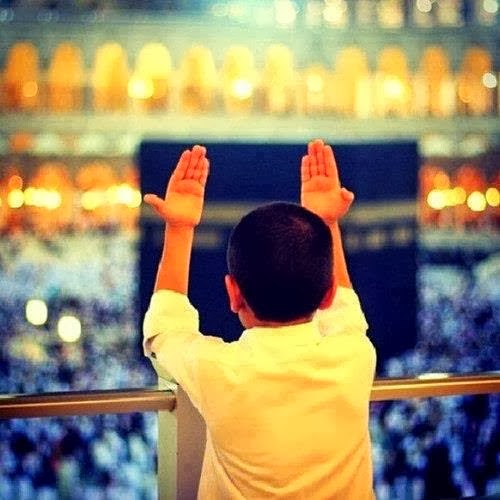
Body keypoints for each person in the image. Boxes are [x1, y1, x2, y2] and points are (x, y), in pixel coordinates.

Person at [143, 139, 377, 499]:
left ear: (233, 293)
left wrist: (180, 227)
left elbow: (165, 328)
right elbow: (344, 307)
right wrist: (326, 221)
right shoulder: (356, 357)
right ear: (327, 293)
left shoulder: (218, 371)